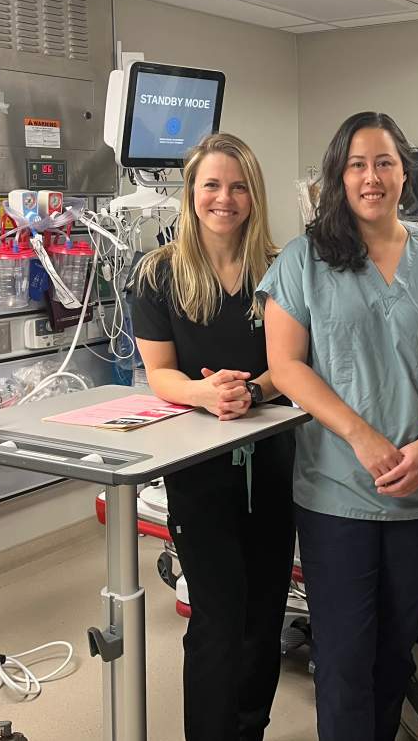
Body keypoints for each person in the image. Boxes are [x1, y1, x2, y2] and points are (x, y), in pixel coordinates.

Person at [259, 112, 418, 741]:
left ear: (405, 172)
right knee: (345, 658)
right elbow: (285, 366)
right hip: (336, 491)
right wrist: (360, 434)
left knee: (396, 650)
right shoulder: (304, 261)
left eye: (384, 162)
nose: (371, 177)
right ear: (338, 176)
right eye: (357, 164)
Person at [130, 133, 292, 741]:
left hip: (273, 460)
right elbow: (159, 373)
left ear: (254, 195)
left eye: (239, 185)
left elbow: (294, 363)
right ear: (191, 194)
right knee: (217, 619)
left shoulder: (282, 269)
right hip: (199, 470)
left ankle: (250, 728)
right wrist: (206, 394)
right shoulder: (159, 275)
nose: (225, 198)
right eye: (212, 185)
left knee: (265, 611)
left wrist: (254, 391)